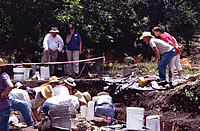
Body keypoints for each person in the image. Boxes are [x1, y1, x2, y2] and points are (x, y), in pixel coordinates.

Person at [0, 58, 14, 131]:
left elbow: (10, 86)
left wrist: (3, 93)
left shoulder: (4, 76)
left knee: (3, 127)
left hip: (3, 106)